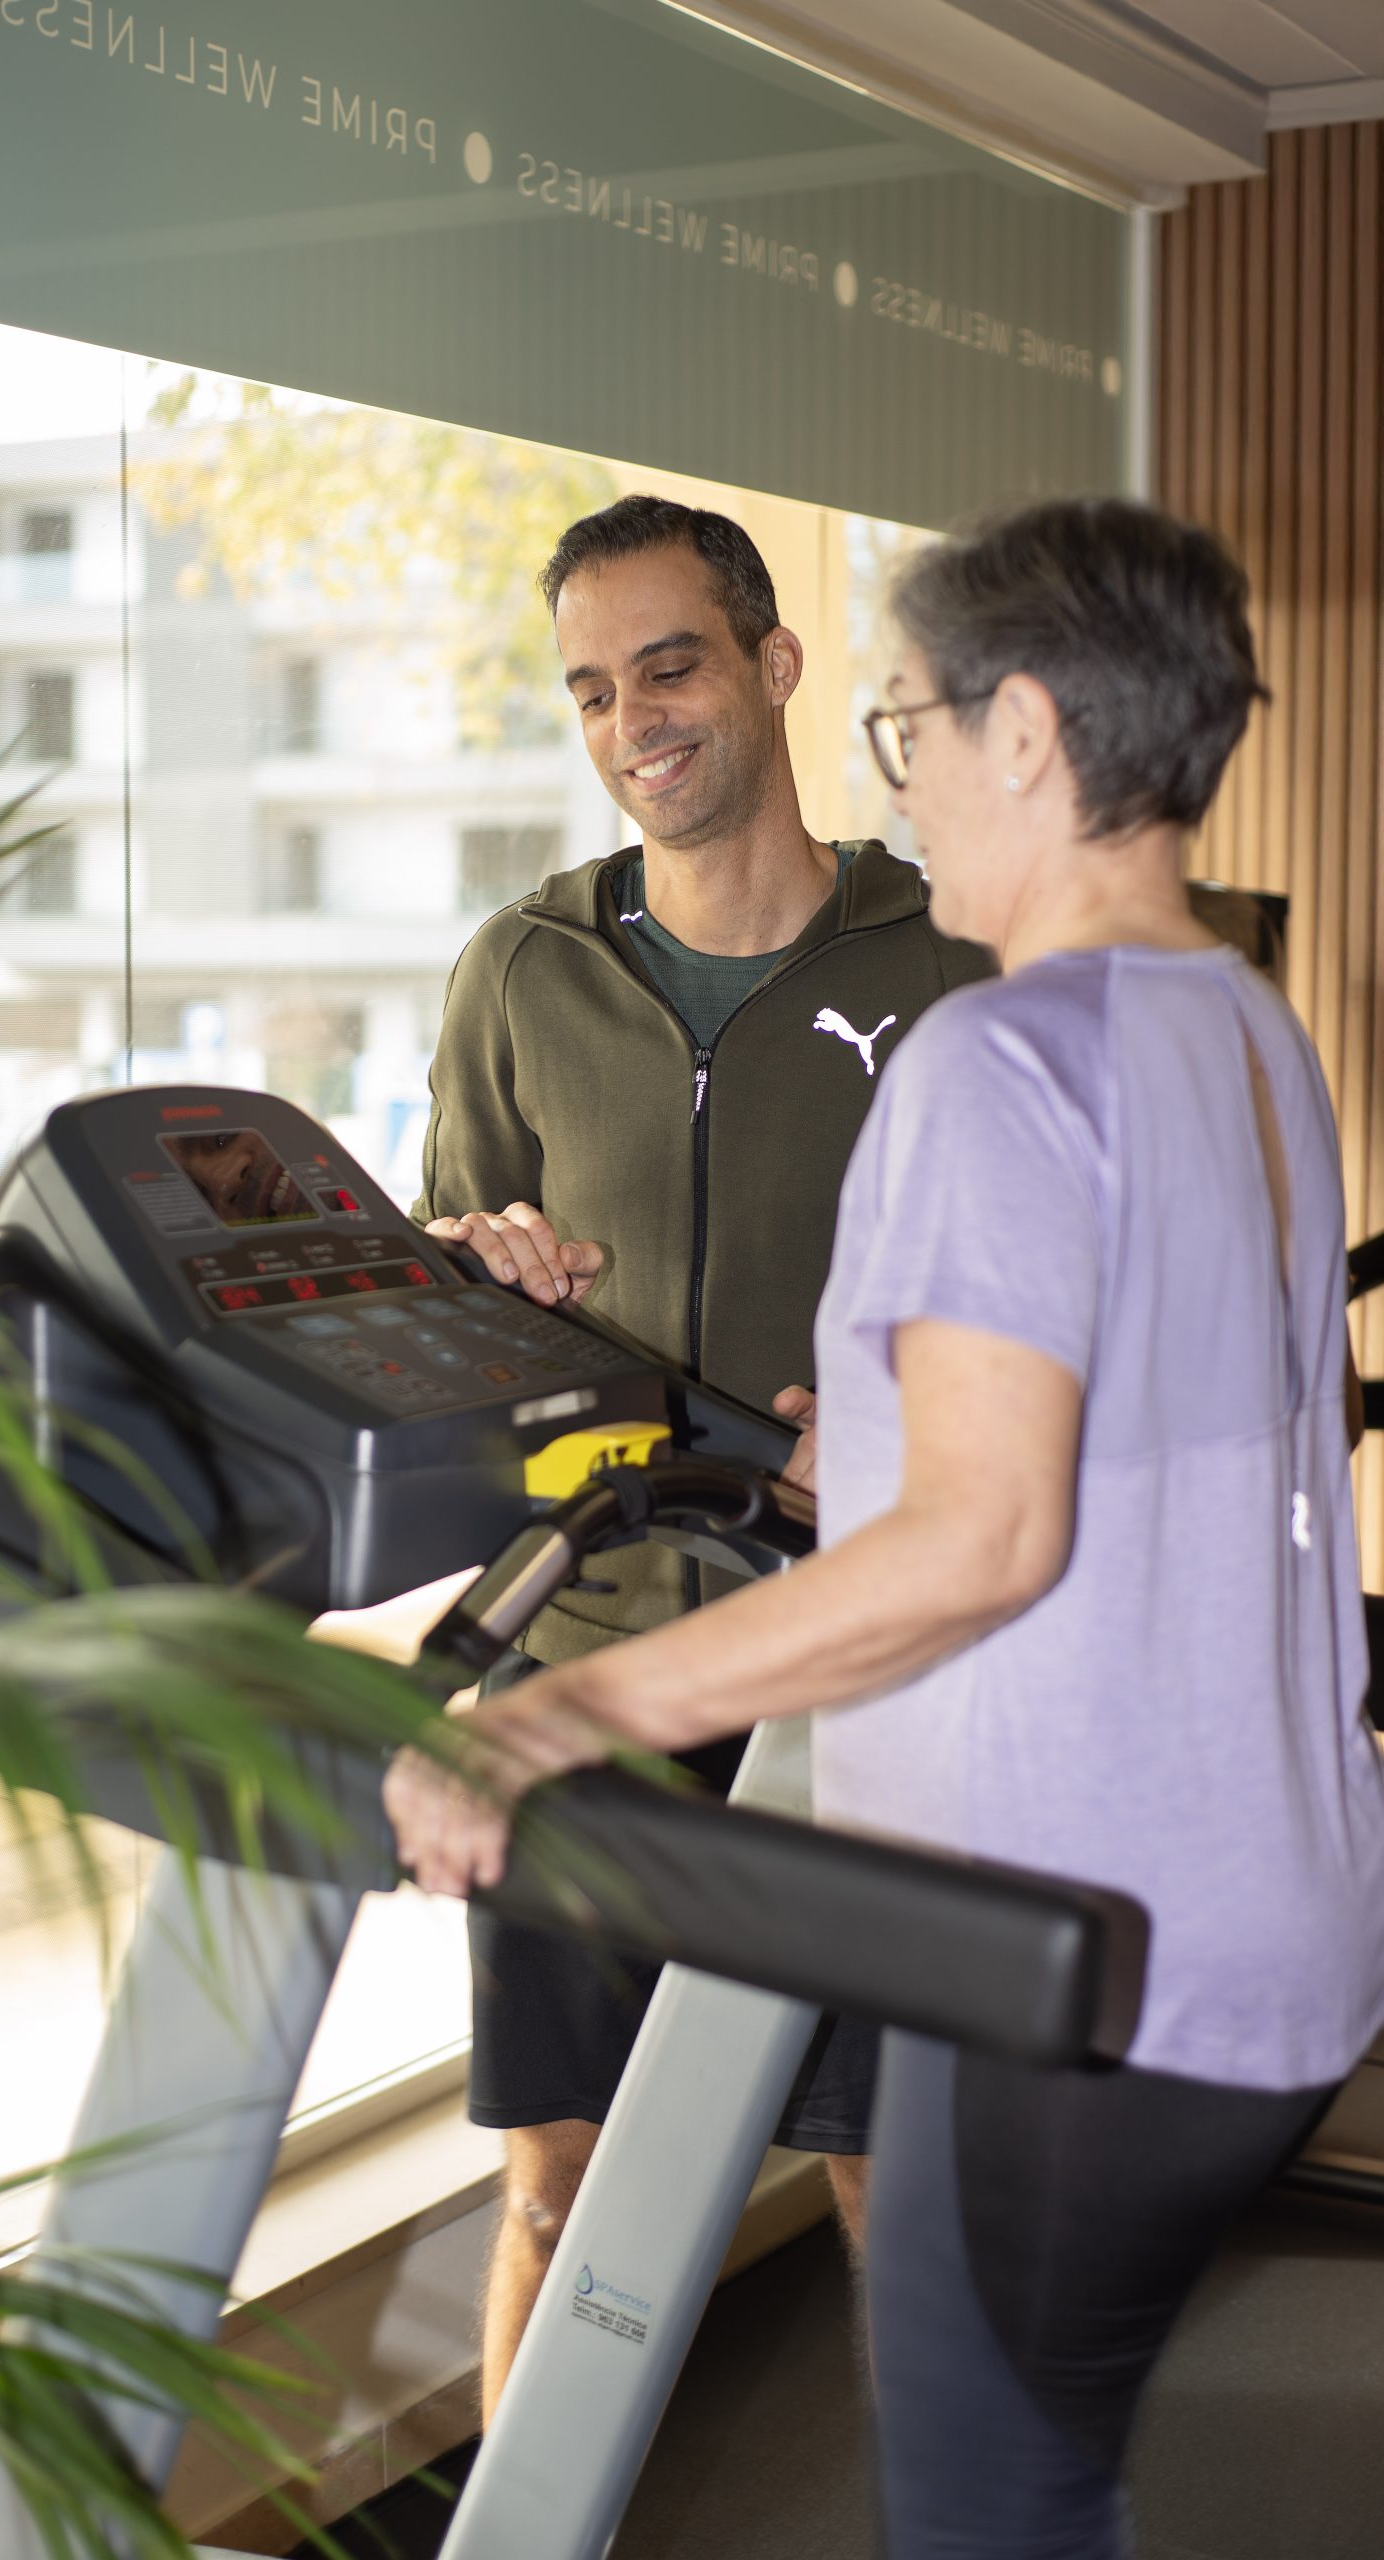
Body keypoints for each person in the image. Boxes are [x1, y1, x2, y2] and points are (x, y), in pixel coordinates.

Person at [387, 494, 1384, 2558]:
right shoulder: (1242, 1028)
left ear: (1026, 731)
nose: (903, 771)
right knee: (1031, 2478)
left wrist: (536, 1724)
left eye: (913, 722)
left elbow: (978, 1537)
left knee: (989, 2503)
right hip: (1265, 1936)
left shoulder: (996, 1045)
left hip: (1059, 1941)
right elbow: (1138, 1439)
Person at [413, 493, 990, 2418]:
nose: (630, 719)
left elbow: (1037, 1331)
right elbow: (436, 1281)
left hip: (851, 1678)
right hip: (580, 1657)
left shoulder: (951, 971)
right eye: (591, 687)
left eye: (667, 664)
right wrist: (477, 1270)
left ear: (767, 663)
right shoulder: (523, 967)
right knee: (558, 2187)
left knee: (883, 2175)